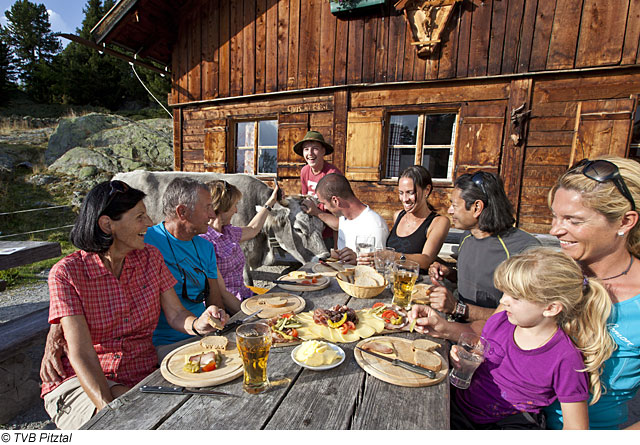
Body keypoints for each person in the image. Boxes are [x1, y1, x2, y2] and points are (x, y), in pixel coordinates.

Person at [39, 181, 228, 429]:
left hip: (140, 373)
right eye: (140, 217)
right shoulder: (67, 273)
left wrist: (199, 324)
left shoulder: (150, 257)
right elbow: (81, 353)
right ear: (108, 224)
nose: (149, 223)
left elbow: (176, 314)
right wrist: (110, 410)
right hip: (82, 380)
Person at [450, 247, 614, 430]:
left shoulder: (565, 358)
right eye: (504, 293)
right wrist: (463, 362)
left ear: (551, 308)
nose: (503, 301)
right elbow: (479, 358)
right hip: (459, 407)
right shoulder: (500, 321)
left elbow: (576, 429)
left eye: (515, 297)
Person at [544, 156, 640, 430]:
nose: (555, 230)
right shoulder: (556, 272)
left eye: (573, 220)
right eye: (555, 216)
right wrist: (452, 325)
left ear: (624, 222)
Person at [425, 171, 540, 331]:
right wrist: (450, 273)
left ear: (477, 207)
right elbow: (479, 282)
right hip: (457, 329)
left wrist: (459, 308)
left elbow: (523, 317)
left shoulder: (523, 250)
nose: (450, 211)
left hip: (494, 340)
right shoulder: (467, 236)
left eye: (455, 205)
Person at [143, 177, 241, 359]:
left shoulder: (205, 247)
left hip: (202, 336)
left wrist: (217, 318)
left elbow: (214, 299)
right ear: (182, 212)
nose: (213, 214)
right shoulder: (146, 242)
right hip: (164, 346)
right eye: (207, 207)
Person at [200, 179, 279, 300]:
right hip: (229, 305)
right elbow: (218, 293)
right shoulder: (204, 241)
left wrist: (271, 202)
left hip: (244, 296)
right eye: (234, 205)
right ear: (223, 208)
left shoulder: (228, 232)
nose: (236, 210)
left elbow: (253, 228)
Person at [301, 173, 389, 264]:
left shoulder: (375, 227)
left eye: (324, 204)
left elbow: (379, 267)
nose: (325, 208)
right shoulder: (345, 217)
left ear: (336, 201)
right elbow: (337, 224)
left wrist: (356, 261)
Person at [386, 165, 450, 271]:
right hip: (393, 280)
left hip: (418, 283)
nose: (405, 199)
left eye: (410, 192)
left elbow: (427, 260)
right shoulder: (398, 215)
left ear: (427, 190)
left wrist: (393, 256)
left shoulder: (438, 222)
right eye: (401, 193)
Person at [294, 130, 342, 249]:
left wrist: (337, 247)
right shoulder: (304, 171)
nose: (310, 153)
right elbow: (305, 201)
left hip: (329, 235)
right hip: (312, 233)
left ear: (323, 151)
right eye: (306, 149)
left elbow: (340, 216)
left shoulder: (332, 175)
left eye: (315, 148)